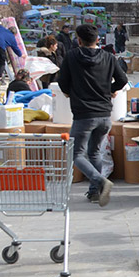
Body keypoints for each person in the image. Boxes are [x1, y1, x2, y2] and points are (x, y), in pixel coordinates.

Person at [58, 24, 127, 207]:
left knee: (77, 154)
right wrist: (109, 90)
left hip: (83, 115)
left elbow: (62, 83)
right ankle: (94, 193)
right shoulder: (109, 57)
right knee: (94, 151)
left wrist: (69, 92)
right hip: (105, 115)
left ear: (78, 40)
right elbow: (123, 80)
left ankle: (100, 180)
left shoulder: (72, 56)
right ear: (98, 40)